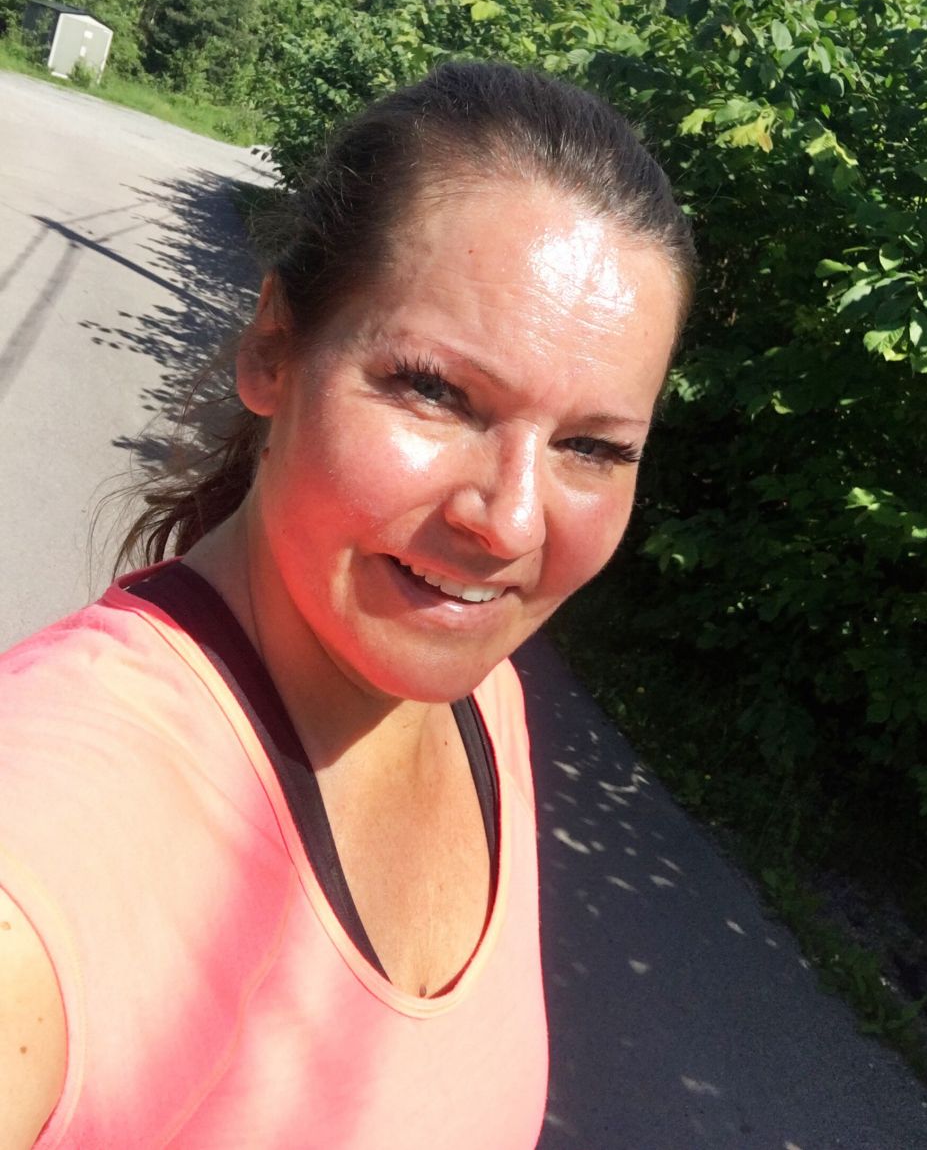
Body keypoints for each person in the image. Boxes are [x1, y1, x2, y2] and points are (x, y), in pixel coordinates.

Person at [0, 61, 696, 1148]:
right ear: (274, 348)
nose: (511, 523)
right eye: (437, 392)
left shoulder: (483, 707)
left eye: (594, 448)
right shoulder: (68, 818)